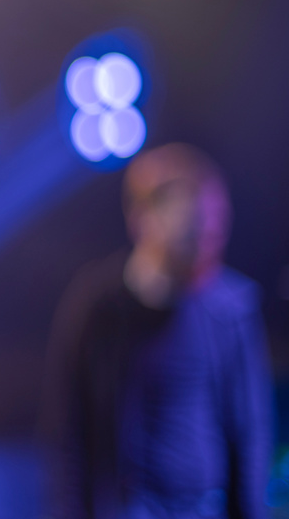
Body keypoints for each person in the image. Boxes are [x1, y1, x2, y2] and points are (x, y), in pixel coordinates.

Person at [45, 144, 271, 519]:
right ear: (142, 220)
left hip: (207, 505)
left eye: (212, 229)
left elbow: (251, 432)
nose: (205, 244)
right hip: (129, 506)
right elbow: (66, 433)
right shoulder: (97, 307)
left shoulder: (231, 310)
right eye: (191, 231)